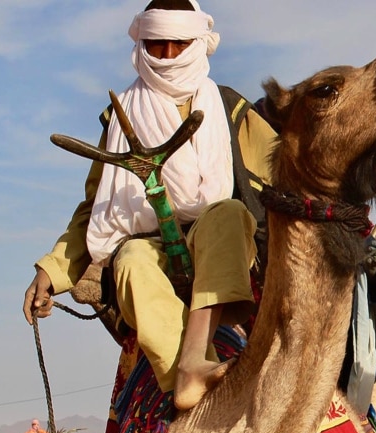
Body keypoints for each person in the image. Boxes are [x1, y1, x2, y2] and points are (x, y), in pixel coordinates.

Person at [22, 0, 277, 411]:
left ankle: (198, 355)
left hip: (222, 252)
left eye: (178, 44)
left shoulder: (229, 109)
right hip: (149, 254)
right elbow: (97, 206)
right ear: (142, 44)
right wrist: (50, 271)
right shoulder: (120, 118)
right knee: (132, 258)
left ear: (198, 43)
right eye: (158, 45)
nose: (169, 56)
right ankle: (184, 372)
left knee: (227, 214)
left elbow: (286, 169)